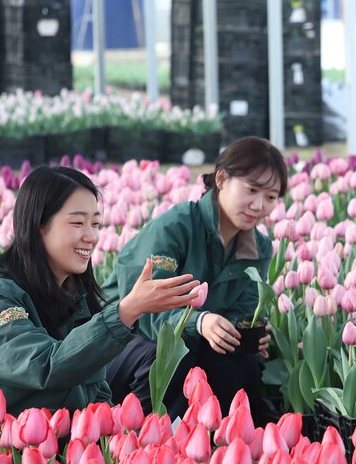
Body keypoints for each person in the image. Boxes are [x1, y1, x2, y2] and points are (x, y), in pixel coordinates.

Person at [0, 166, 200, 421]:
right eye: (77, 223)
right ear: (38, 226)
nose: (91, 236)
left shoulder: (73, 294)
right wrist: (123, 313)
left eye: (95, 224)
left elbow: (93, 384)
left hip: (34, 447)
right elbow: (45, 366)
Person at [105, 136, 287, 423]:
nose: (259, 205)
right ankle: (140, 438)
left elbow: (244, 310)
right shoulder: (175, 228)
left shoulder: (258, 249)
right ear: (222, 178)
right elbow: (141, 311)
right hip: (122, 342)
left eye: (271, 197)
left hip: (194, 344)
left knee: (240, 362)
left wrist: (249, 335)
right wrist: (200, 321)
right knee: (172, 352)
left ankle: (223, 446)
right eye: (251, 190)